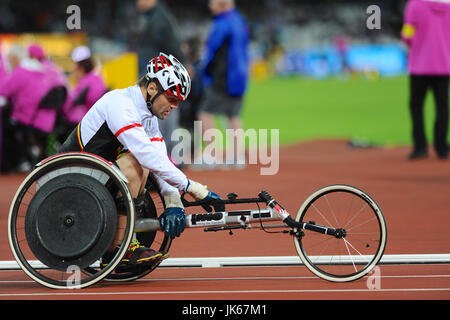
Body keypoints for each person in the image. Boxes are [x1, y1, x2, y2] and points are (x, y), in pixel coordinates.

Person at [59, 52, 223, 268]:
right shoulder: (121, 104)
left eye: (179, 101)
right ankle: (120, 249)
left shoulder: (148, 118)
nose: (175, 106)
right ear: (153, 88)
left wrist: (173, 201)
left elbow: (160, 160)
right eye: (172, 98)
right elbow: (146, 155)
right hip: (67, 182)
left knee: (142, 166)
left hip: (94, 178)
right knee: (137, 166)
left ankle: (121, 244)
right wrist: (194, 188)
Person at [196, 0, 250, 168]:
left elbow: (211, 49)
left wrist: (203, 69)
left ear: (223, 4)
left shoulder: (222, 23)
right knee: (233, 115)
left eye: (213, 3)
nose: (210, 6)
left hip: (223, 75)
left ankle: (212, 155)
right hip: (240, 75)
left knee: (204, 113)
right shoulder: (240, 20)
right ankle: (237, 156)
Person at [134, 0, 187, 161]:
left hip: (160, 76)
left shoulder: (158, 18)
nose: (139, 3)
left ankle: (172, 158)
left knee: (164, 115)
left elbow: (172, 44)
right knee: (160, 116)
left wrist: (182, 65)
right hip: (156, 74)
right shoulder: (153, 17)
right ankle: (169, 157)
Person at [401, 0, 450, 160]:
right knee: (442, 106)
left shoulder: (415, 5)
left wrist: (408, 41)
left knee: (416, 106)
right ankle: (441, 147)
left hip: (420, 65)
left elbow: (407, 33)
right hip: (443, 64)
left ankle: (420, 147)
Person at [62, 46, 107, 126]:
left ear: (80, 67)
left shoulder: (85, 81)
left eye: (74, 65)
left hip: (82, 120)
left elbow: (69, 103)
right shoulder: (97, 78)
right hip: (95, 119)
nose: (72, 69)